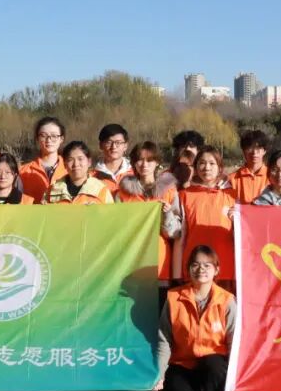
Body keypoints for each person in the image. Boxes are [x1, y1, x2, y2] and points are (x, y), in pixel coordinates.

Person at [157, 245, 236, 391]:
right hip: (183, 363)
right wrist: (159, 375)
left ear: (216, 270)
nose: (201, 269)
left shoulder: (227, 300)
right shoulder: (174, 298)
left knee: (215, 365)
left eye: (207, 265)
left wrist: (233, 381)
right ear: (188, 269)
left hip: (214, 364)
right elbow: (164, 339)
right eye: (195, 265)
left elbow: (234, 341)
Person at [116, 141, 182, 295]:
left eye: (149, 160)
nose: (144, 165)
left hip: (160, 263)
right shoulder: (123, 194)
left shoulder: (169, 191)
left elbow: (175, 233)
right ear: (133, 163)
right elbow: (118, 229)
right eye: (140, 160)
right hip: (132, 263)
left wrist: (167, 214)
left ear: (157, 162)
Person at [174, 146, 237, 285]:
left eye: (212, 163)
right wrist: (177, 274)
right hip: (195, 269)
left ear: (220, 168)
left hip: (226, 268)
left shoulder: (233, 196)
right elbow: (180, 237)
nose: (207, 167)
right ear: (196, 167)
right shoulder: (184, 195)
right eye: (202, 163)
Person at [43, 141, 115, 204]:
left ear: (89, 162)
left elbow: (110, 214)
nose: (76, 164)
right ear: (65, 164)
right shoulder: (53, 190)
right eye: (70, 160)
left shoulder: (100, 189)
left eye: (80, 159)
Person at [19, 116, 67, 203]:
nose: (49, 140)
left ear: (61, 139)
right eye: (43, 135)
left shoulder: (70, 169)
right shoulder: (22, 172)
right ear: (37, 139)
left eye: (54, 136)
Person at [227, 130, 270, 204]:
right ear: (243, 151)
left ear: (264, 151)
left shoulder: (273, 177)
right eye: (250, 148)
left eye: (258, 148)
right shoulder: (232, 179)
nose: (254, 153)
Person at [92, 124, 132, 194]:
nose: (113, 147)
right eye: (109, 142)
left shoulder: (136, 172)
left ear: (125, 146)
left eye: (118, 142)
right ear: (100, 145)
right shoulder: (92, 176)